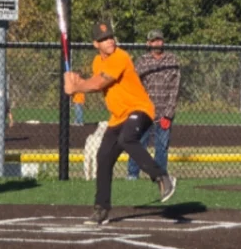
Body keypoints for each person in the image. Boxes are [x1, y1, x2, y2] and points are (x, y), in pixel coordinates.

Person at [63, 20, 176, 225]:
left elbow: (100, 82)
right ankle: (101, 208)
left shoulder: (120, 56)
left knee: (127, 139)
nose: (109, 41)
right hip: (118, 117)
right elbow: (95, 84)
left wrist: (76, 86)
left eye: (110, 37)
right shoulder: (97, 62)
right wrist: (77, 83)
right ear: (95, 44)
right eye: (103, 39)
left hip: (139, 109)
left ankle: (161, 176)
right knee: (104, 157)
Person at [127, 28, 181, 181]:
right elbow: (134, 84)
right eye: (154, 41)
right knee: (138, 144)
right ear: (148, 43)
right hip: (144, 112)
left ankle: (159, 176)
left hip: (163, 113)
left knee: (161, 147)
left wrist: (168, 114)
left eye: (159, 40)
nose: (157, 43)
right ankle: (132, 175)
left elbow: (175, 89)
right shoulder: (142, 61)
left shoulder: (172, 61)